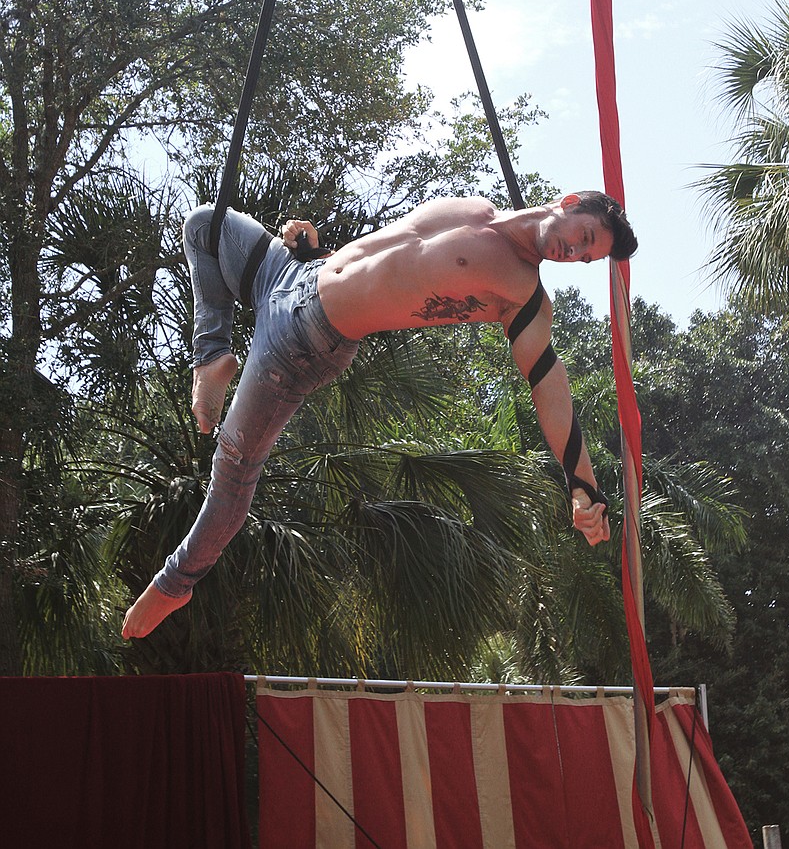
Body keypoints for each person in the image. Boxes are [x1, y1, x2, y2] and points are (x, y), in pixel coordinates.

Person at [122, 191, 637, 639]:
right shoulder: (475, 208)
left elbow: (550, 384)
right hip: (293, 274)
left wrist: (584, 487)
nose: (574, 253)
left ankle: (177, 581)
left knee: (232, 472)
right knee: (205, 226)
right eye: (584, 236)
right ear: (569, 203)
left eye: (586, 257)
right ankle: (212, 357)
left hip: (303, 341)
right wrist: (318, 249)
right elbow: (388, 258)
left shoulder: (522, 296)